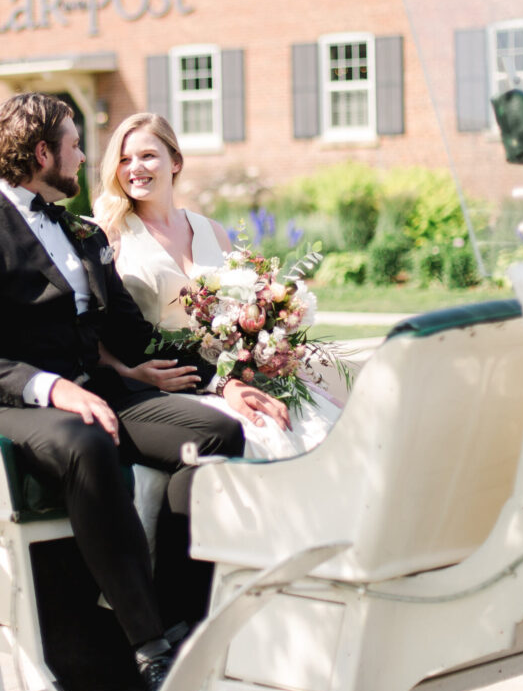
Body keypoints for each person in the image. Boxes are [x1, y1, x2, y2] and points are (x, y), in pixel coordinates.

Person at [0, 92, 244, 691]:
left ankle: (179, 620)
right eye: (73, 144)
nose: (82, 156)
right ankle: (149, 651)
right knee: (86, 441)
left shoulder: (81, 232)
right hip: (8, 402)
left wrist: (222, 382)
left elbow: (133, 336)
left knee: (212, 436)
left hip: (98, 393)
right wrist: (52, 388)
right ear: (42, 153)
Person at [93, 112, 342, 461]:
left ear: (175, 161)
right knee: (255, 437)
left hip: (228, 373)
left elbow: (246, 310)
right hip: (165, 384)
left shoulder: (212, 231)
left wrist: (273, 354)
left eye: (147, 155)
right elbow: (92, 328)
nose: (135, 167)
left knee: (320, 422)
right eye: (123, 159)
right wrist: (129, 372)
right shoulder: (109, 235)